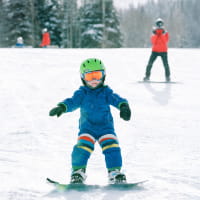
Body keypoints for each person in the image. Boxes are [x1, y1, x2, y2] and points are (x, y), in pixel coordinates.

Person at [49, 58, 131, 184]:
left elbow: (116, 99)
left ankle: (114, 172)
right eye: (89, 76)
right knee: (82, 148)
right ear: (83, 78)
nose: (94, 80)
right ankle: (78, 172)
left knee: (112, 147)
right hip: (88, 128)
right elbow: (72, 101)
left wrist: (123, 106)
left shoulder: (106, 92)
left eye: (97, 75)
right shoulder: (82, 93)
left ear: (103, 76)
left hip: (106, 128)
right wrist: (62, 107)